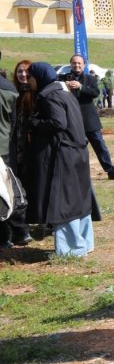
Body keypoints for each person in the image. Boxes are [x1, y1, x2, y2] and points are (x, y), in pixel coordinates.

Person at [25, 62, 101, 257]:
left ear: (39, 77)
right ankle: (84, 243)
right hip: (77, 152)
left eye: (30, 77)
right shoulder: (65, 92)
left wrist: (33, 122)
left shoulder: (49, 95)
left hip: (64, 155)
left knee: (64, 202)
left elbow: (58, 122)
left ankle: (71, 250)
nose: (28, 81)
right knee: (79, 201)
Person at [61, 55, 114, 180]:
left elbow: (95, 93)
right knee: (75, 148)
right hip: (72, 119)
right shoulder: (63, 79)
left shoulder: (90, 79)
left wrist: (80, 87)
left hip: (89, 119)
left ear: (84, 65)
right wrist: (66, 87)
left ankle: (111, 170)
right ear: (70, 64)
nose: (76, 65)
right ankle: (75, 174)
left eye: (79, 63)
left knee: (100, 145)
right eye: (74, 63)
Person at [0, 65, 30, 248]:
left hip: (3, 148)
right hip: (5, 146)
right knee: (10, 189)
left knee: (8, 192)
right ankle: (19, 232)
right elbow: (13, 123)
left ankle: (11, 234)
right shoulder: (9, 88)